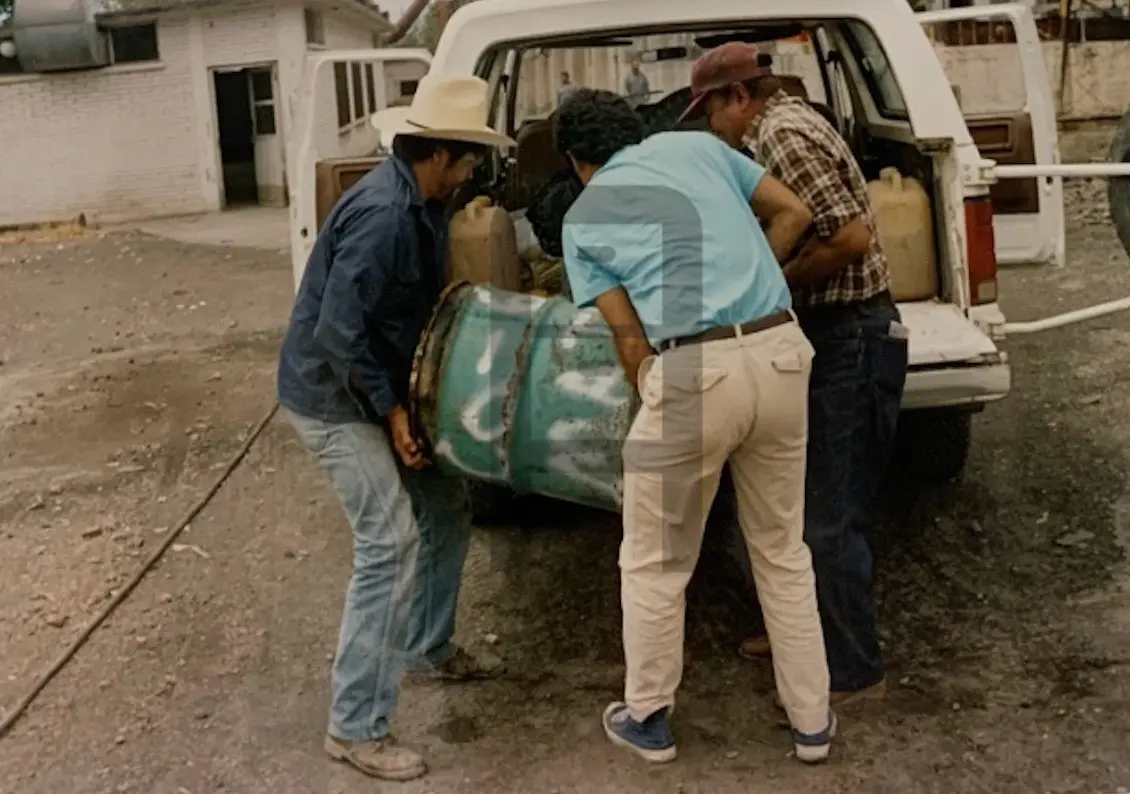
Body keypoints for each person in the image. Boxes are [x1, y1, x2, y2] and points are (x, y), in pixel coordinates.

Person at [556, 88, 836, 765]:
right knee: (782, 548)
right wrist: (754, 276)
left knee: (655, 560)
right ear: (635, 128)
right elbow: (795, 211)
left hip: (692, 374)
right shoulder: (703, 148)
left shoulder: (582, 217)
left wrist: (657, 389)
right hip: (780, 351)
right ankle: (812, 724)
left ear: (575, 158)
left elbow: (629, 340)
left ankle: (648, 717)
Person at [276, 73, 515, 782]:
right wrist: (392, 411)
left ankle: (427, 647)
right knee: (389, 540)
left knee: (445, 507)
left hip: (377, 382)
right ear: (435, 155)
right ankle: (356, 726)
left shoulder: (426, 203)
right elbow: (336, 333)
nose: (473, 170)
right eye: (468, 157)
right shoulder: (384, 216)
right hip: (331, 395)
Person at [681, 42, 909, 708]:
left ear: (738, 98)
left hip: (852, 338)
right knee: (801, 508)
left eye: (710, 111)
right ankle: (805, 637)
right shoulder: (787, 125)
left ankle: (853, 672)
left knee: (828, 521)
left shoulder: (779, 133)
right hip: (835, 335)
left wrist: (770, 283)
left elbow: (848, 239)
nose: (711, 126)